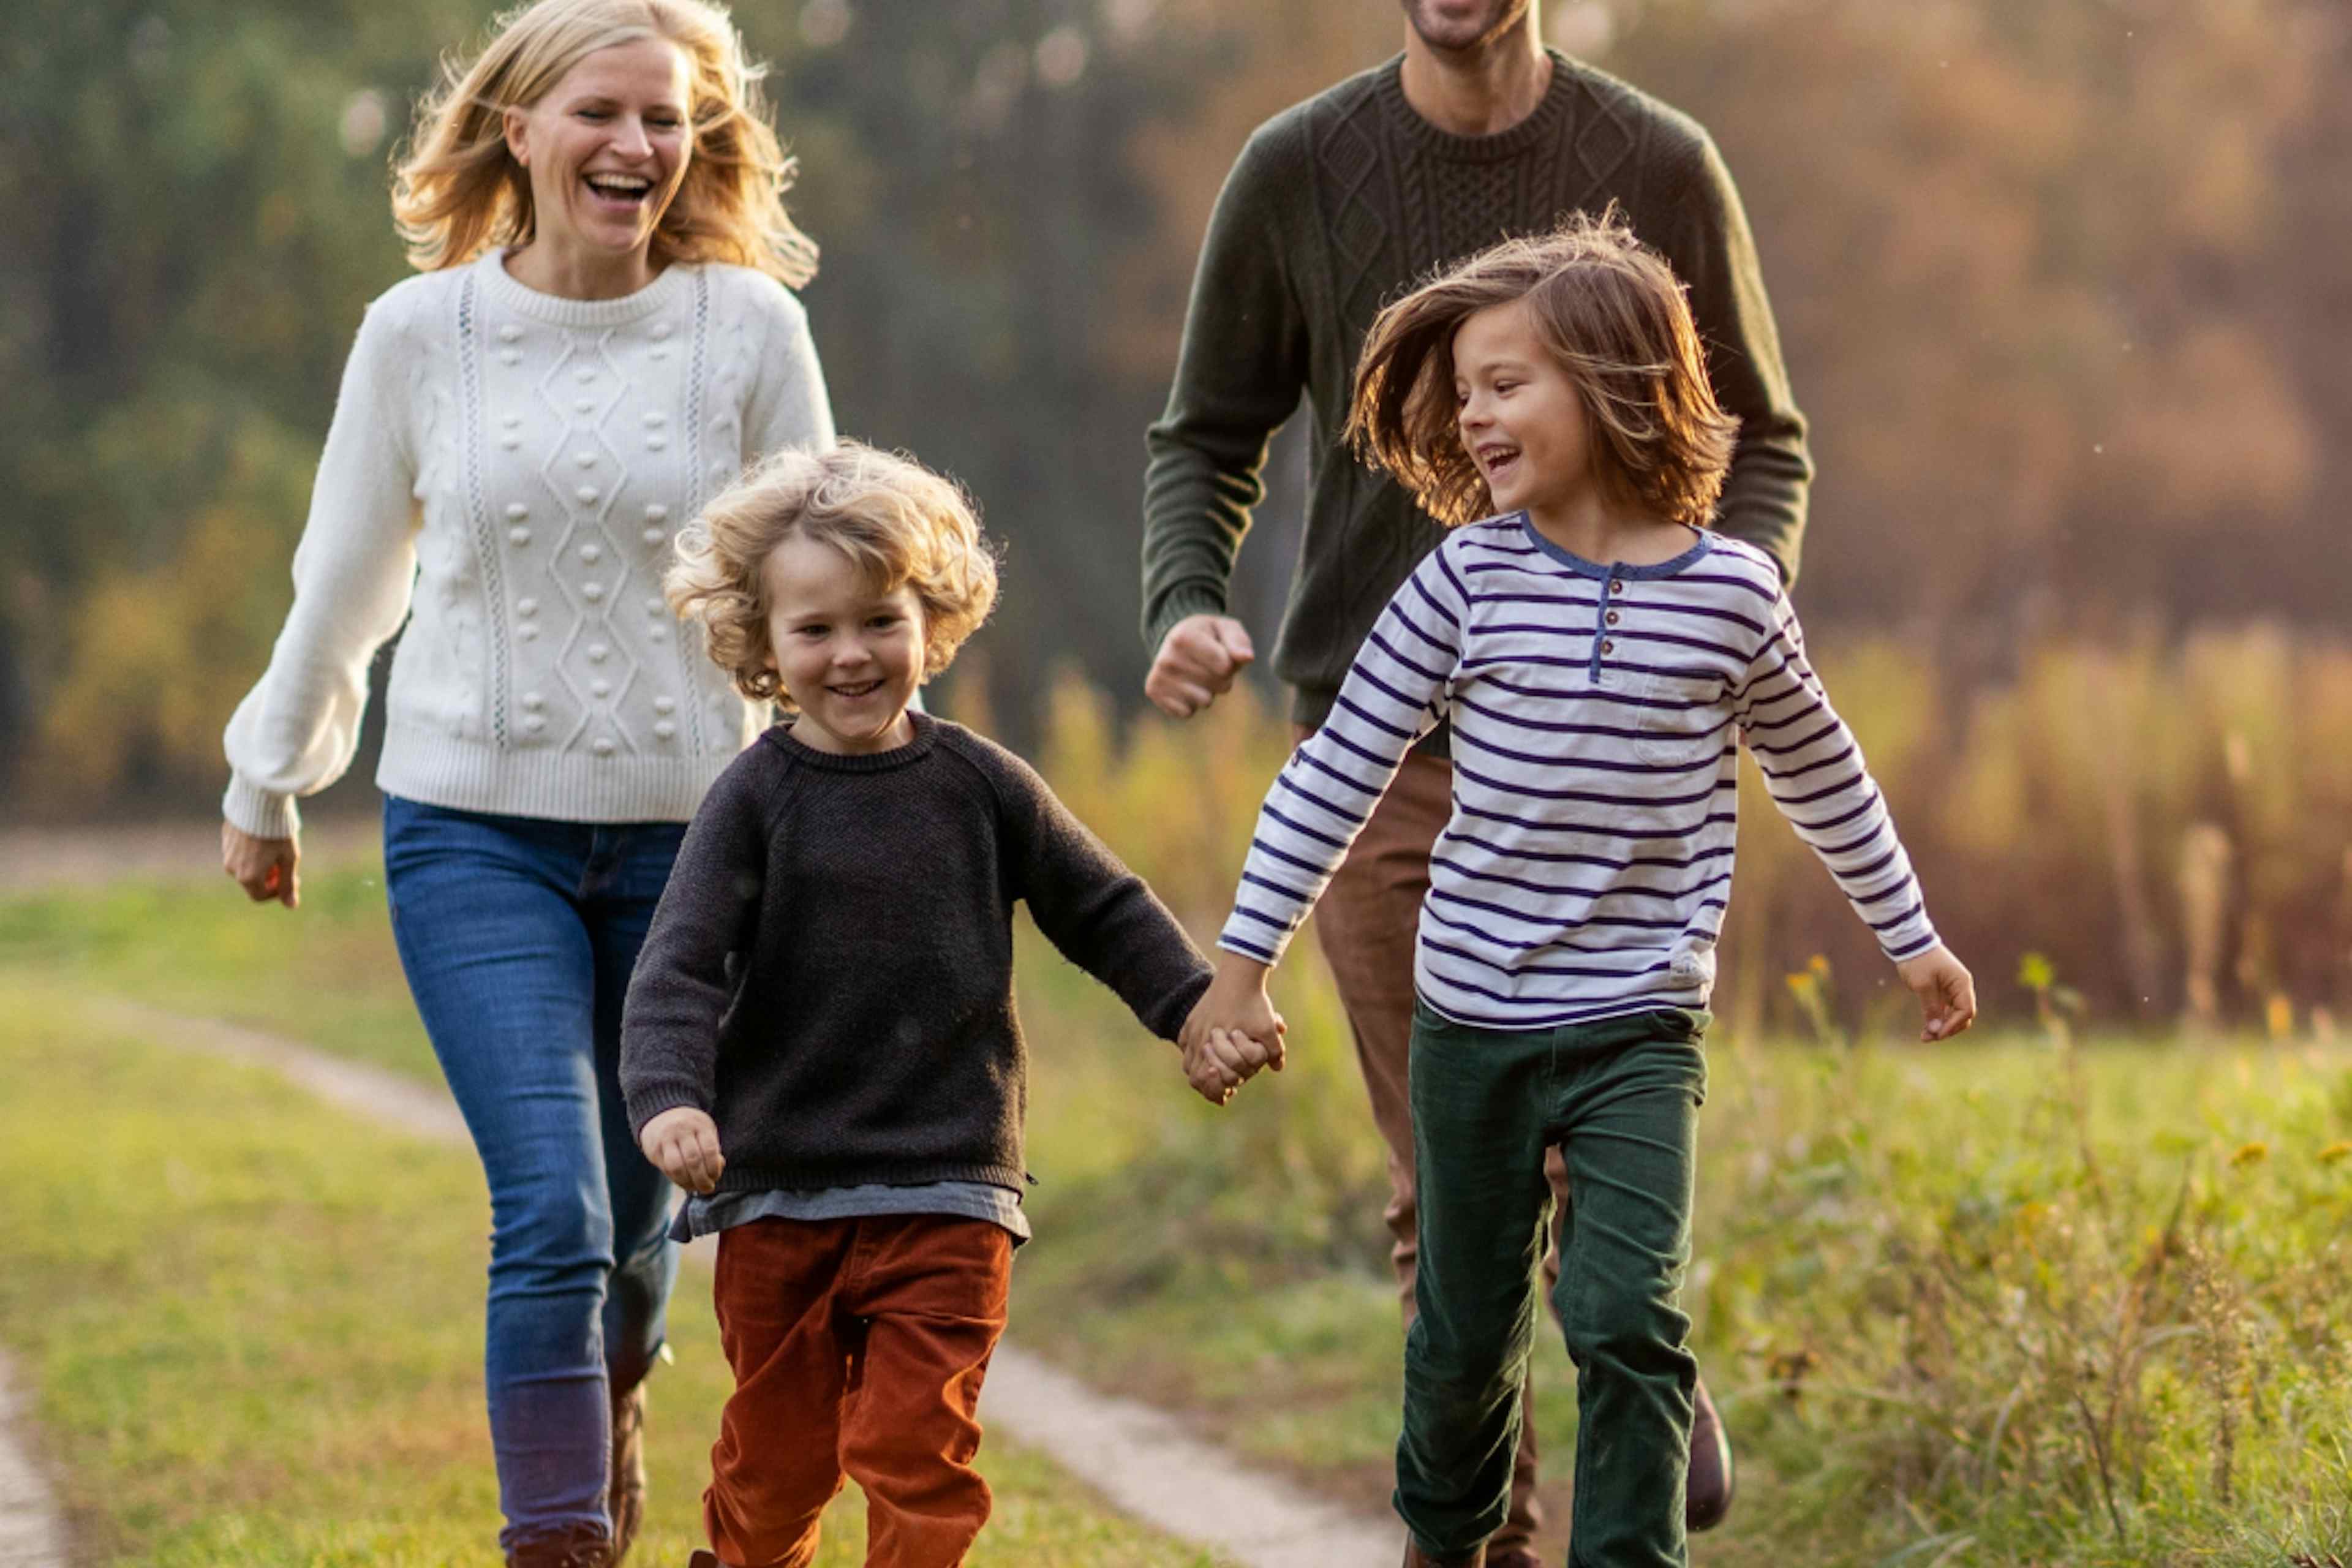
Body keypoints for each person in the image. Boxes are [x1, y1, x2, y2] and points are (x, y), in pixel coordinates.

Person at [1183, 214, 1978, 1568]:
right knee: (1463, 1332)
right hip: (1475, 1021)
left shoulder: (1732, 596)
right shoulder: (1466, 580)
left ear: (1614, 384)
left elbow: (1824, 773)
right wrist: (1242, 960)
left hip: (1639, 1028)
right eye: (1466, 391)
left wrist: (1914, 940)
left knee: (1625, 1313)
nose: (1472, 415)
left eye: (1506, 384)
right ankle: (1446, 1536)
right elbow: (1337, 773)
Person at [1139, 1, 1812, 1551]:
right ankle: (1489, 1540)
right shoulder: (1295, 168)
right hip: (1383, 753)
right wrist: (1186, 597)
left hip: (1612, 753)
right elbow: (1206, 433)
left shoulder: (1660, 161)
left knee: (1601, 1149)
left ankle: (1628, 1338)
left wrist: (1712, 615)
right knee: (1446, 1177)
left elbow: (1762, 440)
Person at [216, 2, 832, 1561]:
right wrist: (267, 774)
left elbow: (817, 579)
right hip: (472, 829)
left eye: (667, 118)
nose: (635, 145)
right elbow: (346, 579)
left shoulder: (747, 329)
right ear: (520, 126)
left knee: (636, 1231)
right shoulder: (419, 334)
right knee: (550, 1207)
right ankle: (557, 1536)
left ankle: (619, 1382)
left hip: (698, 841)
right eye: (600, 113)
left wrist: (853, 803)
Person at [618, 442, 1265, 1568]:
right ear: (764, 647)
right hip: (777, 1190)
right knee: (778, 1471)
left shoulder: (982, 784)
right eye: (814, 632)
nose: (852, 655)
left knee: (916, 1444)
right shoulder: (753, 800)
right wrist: (671, 1097)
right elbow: (679, 963)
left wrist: (1197, 1009)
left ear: (934, 617)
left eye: (881, 620)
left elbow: (1102, 907)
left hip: (951, 1182)